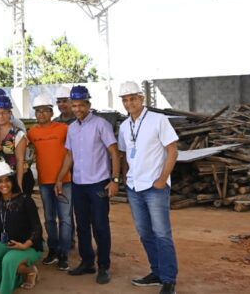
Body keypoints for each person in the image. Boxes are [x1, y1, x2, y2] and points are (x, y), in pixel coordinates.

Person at [117, 81, 179, 294]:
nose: (129, 102)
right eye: (125, 99)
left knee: (162, 233)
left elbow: (172, 150)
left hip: (155, 186)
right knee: (145, 233)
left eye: (133, 98)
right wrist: (125, 176)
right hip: (134, 187)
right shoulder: (125, 126)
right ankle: (157, 272)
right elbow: (125, 154)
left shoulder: (158, 120)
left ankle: (169, 279)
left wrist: (162, 179)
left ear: (142, 99)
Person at [55, 85, 120, 285]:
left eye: (81, 105)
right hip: (79, 184)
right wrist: (60, 178)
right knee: (82, 226)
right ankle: (87, 262)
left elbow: (114, 152)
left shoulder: (101, 125)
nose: (77, 109)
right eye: (74, 105)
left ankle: (104, 266)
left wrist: (115, 180)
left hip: (98, 184)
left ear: (88, 104)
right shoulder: (72, 128)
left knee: (100, 226)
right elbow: (70, 155)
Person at [0, 161, 43, 293]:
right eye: (0, 181)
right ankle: (9, 279)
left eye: (7, 180)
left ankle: (30, 271)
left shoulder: (25, 200)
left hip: (29, 245)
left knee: (9, 260)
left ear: (12, 181)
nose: (4, 185)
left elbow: (37, 229)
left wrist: (24, 245)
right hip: (7, 243)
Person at [28, 94, 73, 271]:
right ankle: (53, 250)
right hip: (45, 183)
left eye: (44, 111)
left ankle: (64, 253)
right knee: (49, 219)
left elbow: (71, 153)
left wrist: (61, 178)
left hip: (65, 181)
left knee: (66, 219)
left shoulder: (63, 129)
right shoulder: (32, 133)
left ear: (51, 112)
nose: (41, 114)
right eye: (37, 111)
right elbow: (27, 151)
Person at [0, 95, 34, 195]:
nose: (1, 116)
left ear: (10, 113)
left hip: (17, 178)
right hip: (1, 179)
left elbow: (19, 161)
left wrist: (18, 185)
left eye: (4, 112)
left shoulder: (18, 134)